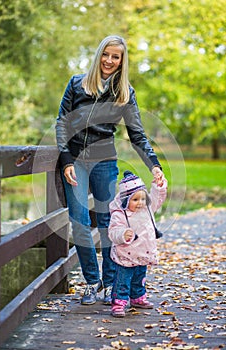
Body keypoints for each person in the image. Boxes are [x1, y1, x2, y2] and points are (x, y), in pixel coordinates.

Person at [55, 35, 165, 306]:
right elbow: (61, 124)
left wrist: (155, 166)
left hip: (105, 161)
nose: (109, 61)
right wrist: (66, 160)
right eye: (106, 54)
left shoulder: (125, 93)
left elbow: (137, 135)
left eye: (116, 57)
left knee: (108, 224)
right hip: (76, 161)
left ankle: (110, 285)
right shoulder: (76, 83)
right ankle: (92, 282)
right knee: (80, 222)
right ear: (99, 55)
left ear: (121, 61)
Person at [108, 170, 167, 317]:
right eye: (135, 200)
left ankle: (138, 298)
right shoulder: (119, 214)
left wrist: (159, 186)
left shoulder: (147, 208)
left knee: (139, 279)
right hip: (126, 255)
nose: (140, 203)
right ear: (126, 200)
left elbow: (157, 198)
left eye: (142, 199)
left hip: (142, 253)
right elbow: (113, 232)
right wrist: (123, 234)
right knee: (122, 280)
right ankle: (118, 303)